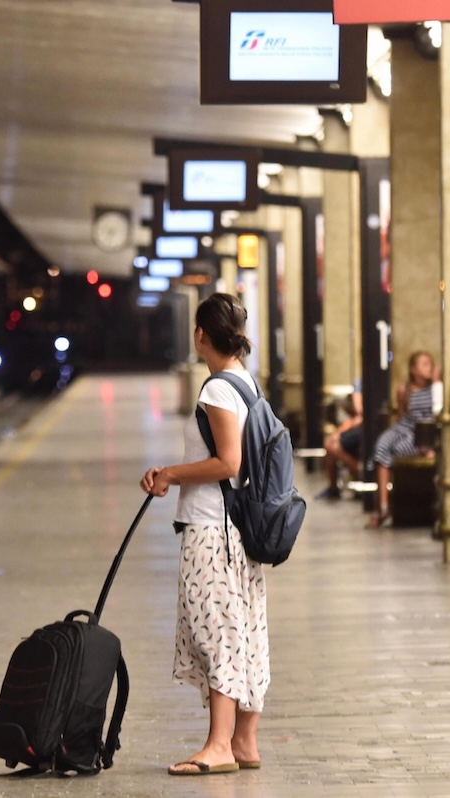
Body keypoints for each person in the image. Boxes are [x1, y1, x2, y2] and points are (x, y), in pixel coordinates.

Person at [139, 293, 269, 777]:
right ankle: (244, 739)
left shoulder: (217, 389)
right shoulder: (246, 383)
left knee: (216, 630)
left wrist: (170, 473)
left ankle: (218, 745)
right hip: (240, 531)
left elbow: (228, 464)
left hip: (213, 529)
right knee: (246, 628)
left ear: (200, 335)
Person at [366, 351, 439, 528]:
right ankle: (383, 506)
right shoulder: (404, 389)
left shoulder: (435, 389)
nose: (429, 368)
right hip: (404, 427)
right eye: (424, 364)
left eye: (430, 364)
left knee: (398, 449)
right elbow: (400, 416)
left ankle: (385, 508)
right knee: (382, 446)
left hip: (422, 431)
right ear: (413, 370)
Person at [317, 384, 363, 500]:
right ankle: (333, 487)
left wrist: (339, 433)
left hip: (365, 428)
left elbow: (360, 414)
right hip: (358, 427)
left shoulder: (366, 384)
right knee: (330, 443)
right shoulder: (359, 384)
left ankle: (360, 472)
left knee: (332, 445)